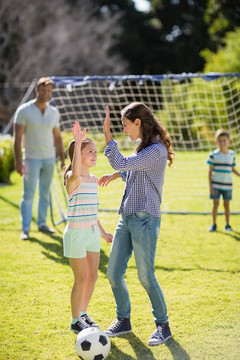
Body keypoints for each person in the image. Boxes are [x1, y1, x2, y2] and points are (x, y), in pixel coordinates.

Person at [98, 102, 175, 346]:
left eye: (125, 125)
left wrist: (108, 136)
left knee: (145, 275)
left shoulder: (157, 150)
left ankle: (163, 326)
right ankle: (124, 319)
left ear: (138, 123)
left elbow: (125, 163)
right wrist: (115, 175)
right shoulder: (143, 149)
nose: (124, 130)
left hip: (145, 220)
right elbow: (131, 167)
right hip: (126, 218)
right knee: (113, 273)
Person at [63, 121, 113, 334]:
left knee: (92, 276)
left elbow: (92, 211)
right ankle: (75, 320)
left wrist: (102, 233)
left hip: (92, 232)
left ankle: (82, 313)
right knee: (81, 278)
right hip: (76, 234)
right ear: (77, 154)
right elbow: (74, 173)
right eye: (89, 151)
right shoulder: (72, 178)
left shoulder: (93, 179)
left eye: (95, 151)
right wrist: (78, 141)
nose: (94, 154)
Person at [13, 77, 65, 240]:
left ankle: (42, 223)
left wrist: (63, 159)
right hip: (31, 159)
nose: (46, 93)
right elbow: (17, 137)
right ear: (37, 90)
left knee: (45, 193)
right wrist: (18, 161)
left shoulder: (54, 112)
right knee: (28, 194)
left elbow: (57, 137)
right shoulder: (24, 110)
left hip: (49, 159)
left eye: (49, 91)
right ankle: (25, 229)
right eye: (43, 90)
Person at [207, 129, 240, 232]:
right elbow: (210, 172)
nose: (222, 143)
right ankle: (213, 224)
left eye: (224, 140)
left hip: (227, 185)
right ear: (216, 141)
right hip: (216, 185)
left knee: (227, 205)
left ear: (228, 141)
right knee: (215, 204)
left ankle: (227, 225)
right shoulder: (213, 155)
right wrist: (211, 186)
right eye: (220, 140)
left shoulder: (232, 155)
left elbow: (232, 168)